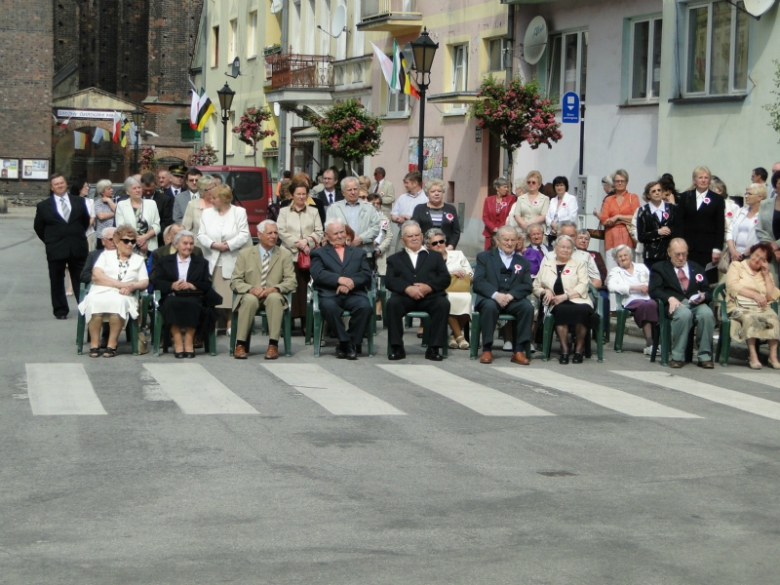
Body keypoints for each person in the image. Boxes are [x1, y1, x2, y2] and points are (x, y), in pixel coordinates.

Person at [78, 224, 149, 357]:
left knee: (119, 302)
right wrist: (119, 284)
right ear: (117, 241)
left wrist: (131, 286)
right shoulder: (106, 255)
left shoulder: (138, 260)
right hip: (101, 290)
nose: (130, 244)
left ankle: (112, 344)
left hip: (125, 293)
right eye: (126, 240)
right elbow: (96, 275)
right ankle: (94, 344)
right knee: (94, 301)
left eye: (133, 241)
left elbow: (145, 281)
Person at [230, 220, 297, 360]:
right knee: (248, 300)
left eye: (275, 233)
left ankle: (273, 345)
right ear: (259, 235)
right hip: (251, 294)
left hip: (273, 295)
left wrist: (275, 288)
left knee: (274, 298)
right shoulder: (245, 254)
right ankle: (240, 344)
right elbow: (235, 281)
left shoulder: (284, 254)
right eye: (269, 233)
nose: (273, 236)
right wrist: (250, 289)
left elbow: (291, 281)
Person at [385, 221, 451, 361]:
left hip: (430, 297)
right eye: (410, 236)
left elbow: (445, 278)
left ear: (422, 236)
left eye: (417, 235)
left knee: (443, 304)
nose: (414, 238)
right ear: (403, 240)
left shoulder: (435, 256)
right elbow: (390, 280)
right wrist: (407, 288)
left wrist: (429, 287)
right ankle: (397, 347)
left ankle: (433, 348)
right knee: (392, 304)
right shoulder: (394, 259)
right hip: (405, 297)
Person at [310, 219, 374, 359]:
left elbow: (365, 274)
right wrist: (339, 280)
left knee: (365, 307)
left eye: (342, 232)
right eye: (336, 233)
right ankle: (347, 343)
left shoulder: (358, 253)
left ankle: (348, 342)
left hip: (354, 292)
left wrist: (350, 282)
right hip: (330, 294)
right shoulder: (319, 253)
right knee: (329, 307)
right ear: (327, 235)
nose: (340, 236)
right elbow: (318, 273)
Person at [151, 230, 219, 358]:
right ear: (176, 244)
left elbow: (207, 283)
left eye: (191, 244)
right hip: (172, 296)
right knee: (171, 304)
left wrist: (192, 285)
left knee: (193, 304)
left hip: (194, 296)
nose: (188, 247)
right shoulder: (165, 261)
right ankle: (178, 343)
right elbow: (156, 282)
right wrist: (172, 285)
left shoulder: (201, 262)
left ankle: (188, 342)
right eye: (185, 243)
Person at [649, 238, 715, 369]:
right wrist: (669, 298)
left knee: (707, 314)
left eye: (684, 254)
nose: (681, 257)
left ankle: (705, 356)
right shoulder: (660, 268)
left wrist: (703, 296)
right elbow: (654, 290)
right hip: (675, 304)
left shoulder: (697, 268)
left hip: (695, 303)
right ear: (669, 252)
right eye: (677, 254)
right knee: (684, 314)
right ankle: (677, 356)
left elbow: (708, 291)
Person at [473, 225, 534, 364]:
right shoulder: (485, 257)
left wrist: (511, 295)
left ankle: (518, 350)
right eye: (506, 240)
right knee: (489, 307)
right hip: (491, 297)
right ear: (498, 240)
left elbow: (527, 286)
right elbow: (478, 282)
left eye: (513, 240)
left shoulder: (523, 261)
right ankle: (487, 349)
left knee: (527, 308)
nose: (510, 243)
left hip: (512, 299)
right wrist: (495, 295)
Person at [534, 235, 599, 364]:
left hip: (578, 299)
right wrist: (545, 291)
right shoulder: (547, 264)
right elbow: (536, 285)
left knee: (583, 312)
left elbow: (584, 284)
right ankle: (564, 349)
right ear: (555, 248)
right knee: (561, 311)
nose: (565, 250)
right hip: (555, 302)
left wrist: (566, 296)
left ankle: (579, 349)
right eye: (562, 247)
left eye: (569, 248)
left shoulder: (579, 264)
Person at [34, 173, 91, 319]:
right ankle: (60, 310)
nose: (60, 185)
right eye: (56, 184)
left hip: (77, 247)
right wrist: (50, 241)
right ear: (51, 187)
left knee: (81, 279)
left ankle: (84, 308)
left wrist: (75, 234)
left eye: (62, 183)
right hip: (56, 248)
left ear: (66, 184)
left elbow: (84, 222)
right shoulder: (43, 206)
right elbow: (39, 228)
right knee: (57, 280)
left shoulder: (79, 201)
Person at [197, 184, 251, 333]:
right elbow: (201, 234)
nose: (211, 200)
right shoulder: (207, 213)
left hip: (231, 257)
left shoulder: (239, 212)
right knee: (214, 293)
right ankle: (214, 324)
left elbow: (244, 234)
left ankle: (230, 323)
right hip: (212, 259)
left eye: (214, 198)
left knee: (229, 294)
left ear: (224, 199)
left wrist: (228, 245)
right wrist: (213, 244)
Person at [277, 178, 324, 332]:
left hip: (308, 256)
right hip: (288, 255)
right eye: (298, 194)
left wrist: (307, 242)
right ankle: (288, 320)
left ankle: (306, 322)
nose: (302, 197)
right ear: (292, 195)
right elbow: (281, 231)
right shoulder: (284, 211)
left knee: (305, 289)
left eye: (304, 194)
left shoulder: (314, 211)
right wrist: (298, 244)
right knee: (290, 287)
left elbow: (319, 231)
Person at [723, 242, 780, 369]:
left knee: (774, 318)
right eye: (756, 255)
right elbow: (733, 286)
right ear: (751, 253)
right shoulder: (737, 266)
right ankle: (753, 355)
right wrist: (755, 295)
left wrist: (766, 275)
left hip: (760, 308)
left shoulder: (766, 274)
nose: (757, 260)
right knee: (750, 318)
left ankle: (773, 356)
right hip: (738, 306)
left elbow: (771, 296)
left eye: (762, 259)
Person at [425, 228, 473, 350]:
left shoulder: (458, 255)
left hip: (460, 289)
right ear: (428, 246)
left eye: (441, 241)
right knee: (446, 300)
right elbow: (428, 278)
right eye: (434, 243)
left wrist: (463, 274)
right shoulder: (426, 259)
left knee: (469, 300)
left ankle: (453, 336)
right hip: (439, 292)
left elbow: (471, 274)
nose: (439, 245)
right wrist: (451, 273)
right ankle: (460, 336)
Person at [607, 244, 658, 354]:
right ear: (617, 260)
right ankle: (650, 343)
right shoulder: (615, 271)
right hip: (630, 300)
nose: (623, 258)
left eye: (625, 255)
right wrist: (635, 288)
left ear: (630, 256)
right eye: (620, 256)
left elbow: (652, 281)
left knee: (653, 305)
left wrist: (649, 287)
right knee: (647, 306)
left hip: (648, 298)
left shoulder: (641, 267)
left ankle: (654, 343)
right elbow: (611, 286)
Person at [678, 166, 725, 270]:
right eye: (700, 177)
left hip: (707, 247)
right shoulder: (685, 197)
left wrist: (717, 249)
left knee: (704, 279)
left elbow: (720, 225)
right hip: (688, 246)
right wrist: (679, 243)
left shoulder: (717, 199)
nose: (703, 180)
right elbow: (680, 222)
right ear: (694, 180)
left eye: (706, 177)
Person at [325, 177, 381, 258]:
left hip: (364, 252)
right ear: (343, 192)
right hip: (340, 255)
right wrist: (345, 240)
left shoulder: (370, 208)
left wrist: (361, 238)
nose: (353, 192)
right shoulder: (333, 208)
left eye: (355, 189)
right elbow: (328, 229)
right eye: (349, 190)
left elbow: (376, 228)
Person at [599, 169, 640, 276]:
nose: (620, 183)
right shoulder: (609, 200)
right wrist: (625, 219)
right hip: (611, 239)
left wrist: (617, 217)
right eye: (617, 181)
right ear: (613, 182)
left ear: (627, 182)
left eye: (622, 180)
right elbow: (604, 220)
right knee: (612, 273)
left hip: (628, 238)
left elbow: (636, 217)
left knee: (628, 272)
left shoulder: (633, 197)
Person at [637, 180, 682, 267]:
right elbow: (641, 236)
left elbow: (678, 227)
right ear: (648, 195)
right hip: (651, 255)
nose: (657, 193)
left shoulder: (671, 208)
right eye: (654, 191)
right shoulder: (643, 211)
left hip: (669, 253)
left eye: (659, 190)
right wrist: (657, 232)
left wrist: (670, 230)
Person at [115, 176, 160, 258]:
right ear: (128, 192)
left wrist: (144, 238)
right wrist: (138, 241)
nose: (138, 190)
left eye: (139, 187)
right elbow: (120, 228)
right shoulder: (121, 205)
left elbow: (157, 226)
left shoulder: (152, 203)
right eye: (134, 188)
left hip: (150, 247)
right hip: (130, 246)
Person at [412, 179, 460, 249]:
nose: (436, 193)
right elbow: (414, 230)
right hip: (425, 249)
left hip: (445, 249)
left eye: (439, 191)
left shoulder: (450, 209)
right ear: (427, 194)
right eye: (433, 191)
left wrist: (451, 246)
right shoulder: (420, 209)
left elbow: (456, 231)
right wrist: (422, 246)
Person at [726, 184, 766, 266]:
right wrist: (733, 251)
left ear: (760, 197)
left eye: (749, 194)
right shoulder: (741, 211)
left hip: (753, 258)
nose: (746, 196)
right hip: (735, 256)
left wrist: (745, 254)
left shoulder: (764, 215)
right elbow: (730, 231)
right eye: (746, 193)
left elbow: (763, 239)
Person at [390, 171, 428, 250]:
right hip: (403, 232)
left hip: (418, 234)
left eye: (407, 183)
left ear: (415, 183)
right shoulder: (402, 198)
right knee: (400, 257)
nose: (405, 185)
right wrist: (397, 218)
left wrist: (411, 219)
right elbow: (393, 214)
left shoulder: (426, 199)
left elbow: (427, 219)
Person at [508, 170, 549, 238]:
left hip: (538, 233)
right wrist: (524, 225)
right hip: (523, 232)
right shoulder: (521, 198)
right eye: (529, 182)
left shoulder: (545, 198)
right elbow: (517, 214)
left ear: (539, 185)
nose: (530, 184)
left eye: (533, 182)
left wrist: (530, 224)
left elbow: (543, 215)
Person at [481, 177, 517, 251]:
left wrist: (500, 230)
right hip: (490, 233)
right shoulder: (488, 200)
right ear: (497, 188)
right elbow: (485, 217)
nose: (506, 189)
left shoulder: (511, 199)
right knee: (489, 255)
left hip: (504, 233)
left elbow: (510, 215)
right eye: (504, 187)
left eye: (507, 187)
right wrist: (493, 228)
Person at [140, 172, 173, 248]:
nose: (148, 192)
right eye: (145, 190)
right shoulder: (136, 199)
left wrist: (151, 234)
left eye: (151, 190)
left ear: (155, 184)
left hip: (158, 240)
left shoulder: (165, 199)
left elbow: (166, 222)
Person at [182, 174, 218, 242]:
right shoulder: (192, 205)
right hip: (199, 248)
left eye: (214, 187)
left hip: (219, 246)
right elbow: (186, 229)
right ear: (202, 191)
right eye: (209, 189)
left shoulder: (221, 204)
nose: (213, 190)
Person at [545, 176, 578, 243]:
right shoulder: (553, 200)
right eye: (557, 185)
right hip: (552, 233)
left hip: (564, 233)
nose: (559, 187)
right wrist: (552, 224)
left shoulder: (571, 199)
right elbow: (547, 216)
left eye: (561, 185)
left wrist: (558, 226)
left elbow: (571, 217)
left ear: (565, 186)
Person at [71, 178, 96, 252]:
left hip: (88, 233)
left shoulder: (90, 201)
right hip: (73, 234)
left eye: (88, 186)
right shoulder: (70, 201)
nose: (88, 188)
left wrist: (84, 228)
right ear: (79, 188)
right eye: (85, 186)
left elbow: (92, 217)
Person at [93, 179, 117, 249]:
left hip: (115, 234)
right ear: (102, 191)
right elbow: (101, 216)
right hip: (102, 236)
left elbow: (117, 210)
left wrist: (109, 200)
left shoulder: (115, 200)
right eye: (109, 189)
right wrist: (114, 213)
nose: (112, 190)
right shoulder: (98, 202)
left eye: (111, 188)